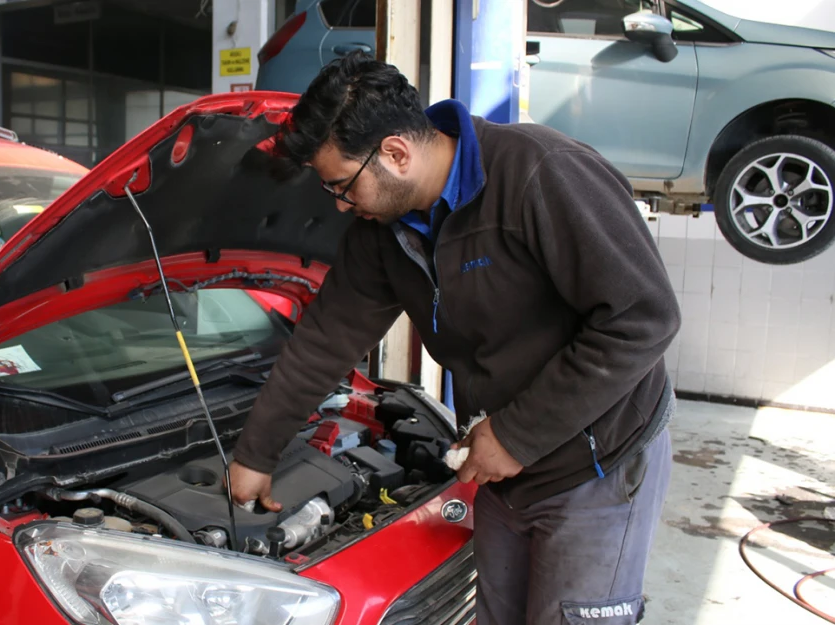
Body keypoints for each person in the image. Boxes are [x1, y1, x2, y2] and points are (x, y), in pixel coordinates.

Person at [228, 52, 681, 625]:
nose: (341, 205)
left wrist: (515, 435)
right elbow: (324, 339)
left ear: (395, 153)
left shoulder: (540, 174)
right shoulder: (383, 232)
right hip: (502, 473)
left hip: (599, 463)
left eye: (342, 186)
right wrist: (255, 454)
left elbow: (644, 317)